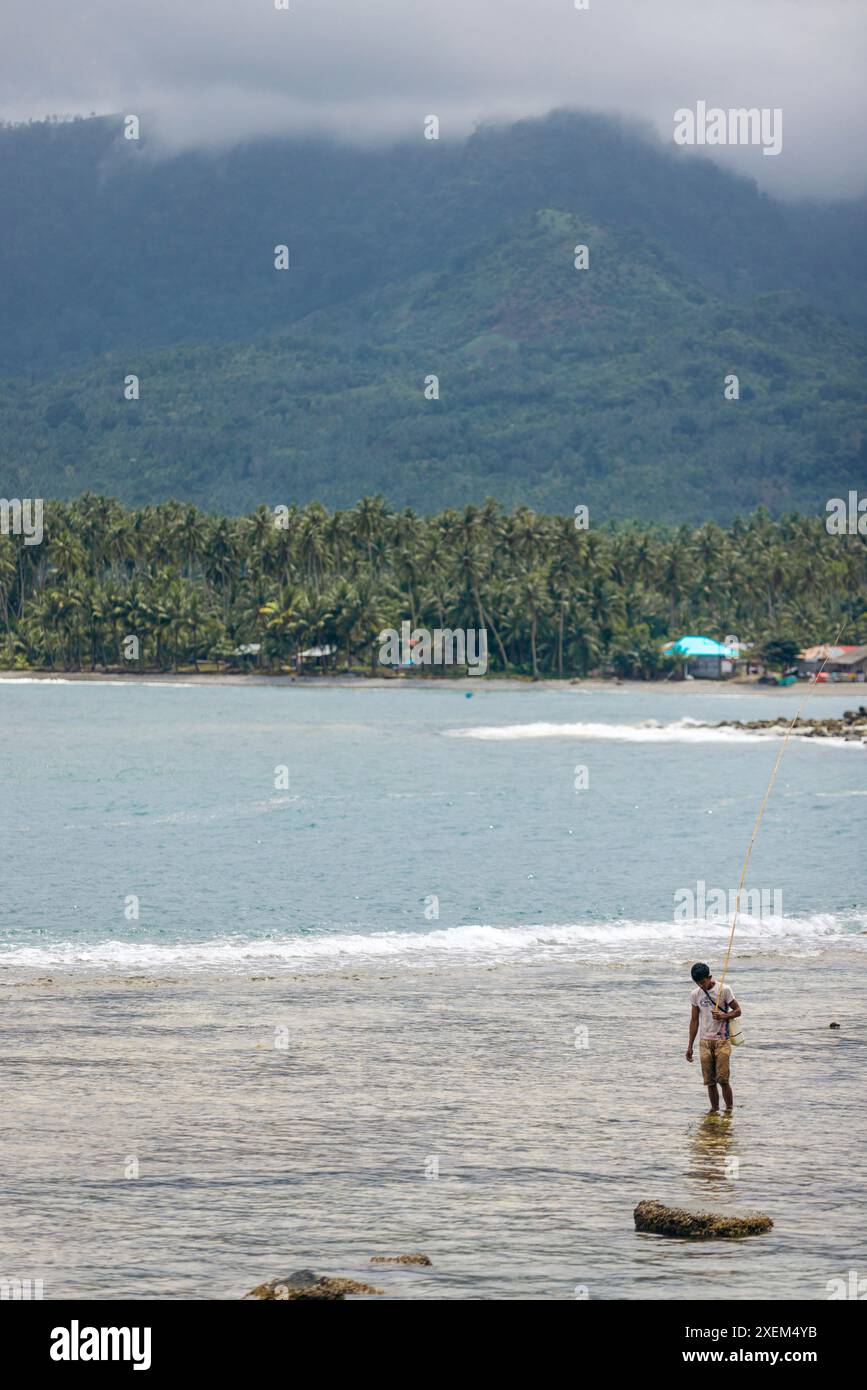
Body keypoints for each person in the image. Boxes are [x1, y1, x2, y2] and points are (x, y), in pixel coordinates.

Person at [685, 962, 741, 1111]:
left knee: (723, 1080)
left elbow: (738, 1010)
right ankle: (714, 1111)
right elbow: (694, 1021)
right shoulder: (695, 994)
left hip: (722, 1040)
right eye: (698, 983)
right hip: (704, 1042)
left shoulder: (724, 990)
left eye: (703, 982)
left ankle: (729, 1111)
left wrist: (723, 1016)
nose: (702, 986)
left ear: (710, 977)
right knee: (709, 1082)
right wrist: (690, 1046)